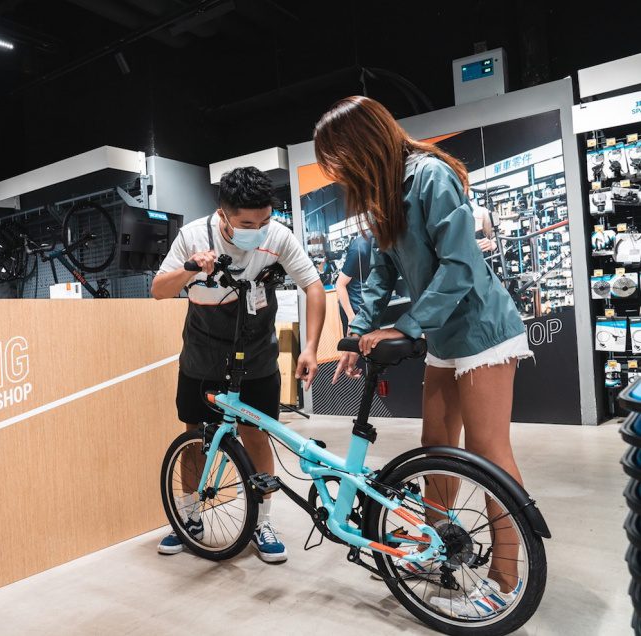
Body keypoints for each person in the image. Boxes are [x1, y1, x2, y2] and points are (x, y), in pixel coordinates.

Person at [314, 96, 533, 618]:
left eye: (336, 156)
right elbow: (382, 273)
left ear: (360, 143)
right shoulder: (386, 192)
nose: (335, 170)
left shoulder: (431, 177)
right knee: (436, 444)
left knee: (487, 454)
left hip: (482, 329)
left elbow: (460, 267)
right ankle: (439, 548)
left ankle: (504, 577)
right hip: (443, 336)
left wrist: (406, 325)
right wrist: (360, 332)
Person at [151, 166, 326, 563]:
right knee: (196, 436)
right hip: (203, 350)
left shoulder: (277, 236)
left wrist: (311, 348)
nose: (258, 230)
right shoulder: (193, 236)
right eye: (248, 223)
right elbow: (159, 291)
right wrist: (191, 268)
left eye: (264, 220)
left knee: (256, 434)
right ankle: (189, 518)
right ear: (223, 214)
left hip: (257, 349)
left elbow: (313, 287)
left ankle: (262, 521)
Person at [332, 231, 373, 385]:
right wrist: (351, 317)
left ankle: (350, 367)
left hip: (368, 304)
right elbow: (340, 284)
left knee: (360, 348)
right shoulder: (359, 248)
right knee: (351, 348)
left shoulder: (384, 246)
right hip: (352, 305)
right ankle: (347, 373)